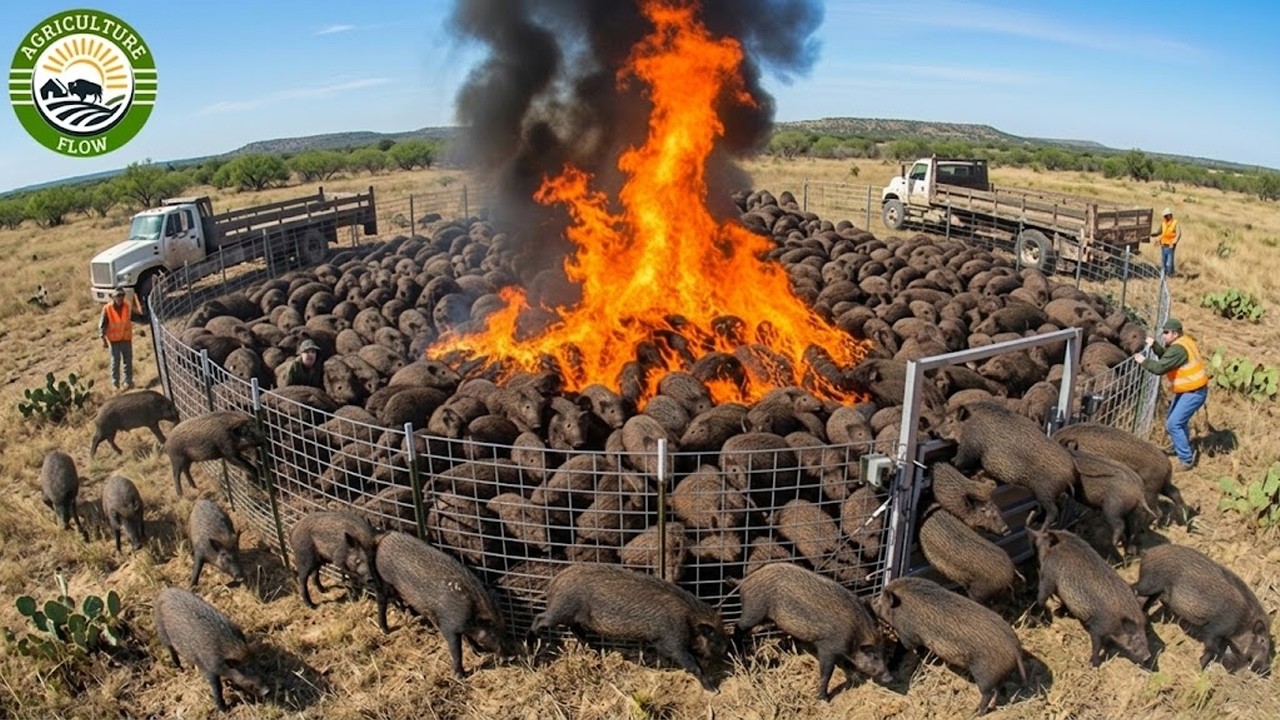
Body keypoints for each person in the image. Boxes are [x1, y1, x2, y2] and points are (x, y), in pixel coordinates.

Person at [1132, 317, 1208, 471]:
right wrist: (1155, 346)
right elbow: (1168, 357)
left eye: (1166, 333)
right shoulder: (1184, 341)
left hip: (1193, 391)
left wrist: (1143, 361)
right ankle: (1182, 446)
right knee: (1176, 421)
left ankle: (1186, 459)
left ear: (1175, 334)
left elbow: (1160, 368)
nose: (1164, 335)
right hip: (1190, 388)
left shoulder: (1178, 349)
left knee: (1174, 423)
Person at [98, 286, 144, 390]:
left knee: (127, 361)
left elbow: (135, 316)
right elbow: (102, 325)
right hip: (114, 341)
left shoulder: (127, 305)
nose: (120, 298)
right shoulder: (107, 308)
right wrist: (103, 338)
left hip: (126, 338)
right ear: (113, 297)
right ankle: (115, 385)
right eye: (118, 296)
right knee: (115, 362)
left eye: (122, 296)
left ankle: (128, 382)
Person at [1151, 207, 1182, 277]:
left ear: (1170, 215)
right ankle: (1165, 274)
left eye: (1166, 216)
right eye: (1164, 216)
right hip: (1163, 245)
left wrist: (1174, 242)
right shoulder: (1163, 223)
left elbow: (1179, 234)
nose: (1165, 217)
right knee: (1163, 261)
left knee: (1169, 262)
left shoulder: (1175, 223)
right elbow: (1159, 232)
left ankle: (1169, 275)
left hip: (1171, 246)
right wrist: (1153, 235)